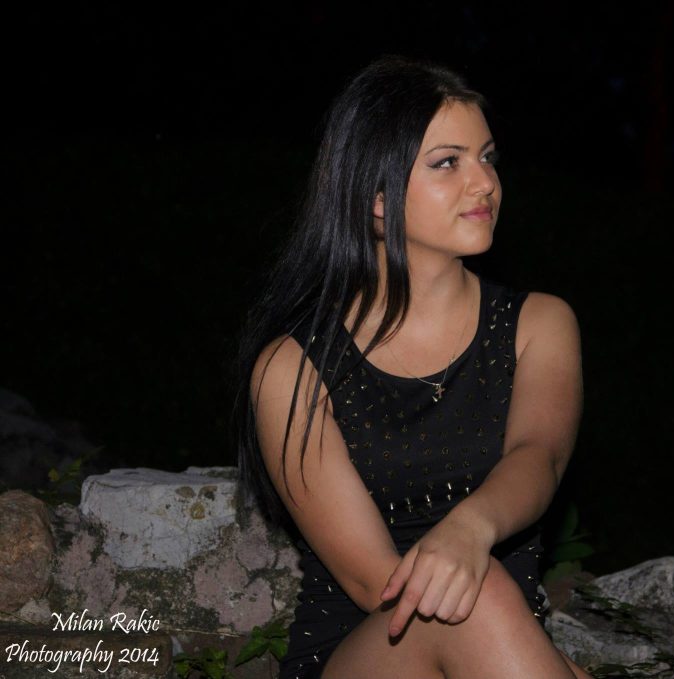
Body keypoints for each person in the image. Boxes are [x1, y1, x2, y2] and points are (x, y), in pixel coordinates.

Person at [231, 54, 589, 679]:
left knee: (478, 593)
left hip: (501, 651)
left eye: (487, 157)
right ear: (375, 197)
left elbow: (540, 455)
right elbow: (376, 585)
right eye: (448, 162)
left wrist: (470, 528)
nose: (484, 182)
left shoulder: (540, 324)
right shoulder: (293, 368)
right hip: (369, 650)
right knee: (467, 596)